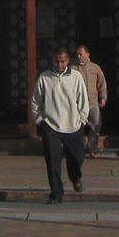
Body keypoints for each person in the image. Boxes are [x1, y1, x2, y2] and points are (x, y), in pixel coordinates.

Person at [30, 47, 90, 203]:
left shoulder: (76, 77)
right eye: (57, 61)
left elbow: (83, 100)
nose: (59, 64)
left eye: (62, 61)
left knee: (77, 157)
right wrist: (40, 121)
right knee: (52, 160)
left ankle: (75, 177)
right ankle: (56, 193)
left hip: (73, 124)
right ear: (52, 61)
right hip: (51, 125)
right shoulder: (44, 78)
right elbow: (36, 101)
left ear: (68, 61)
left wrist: (82, 119)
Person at [73, 44, 107, 158]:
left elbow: (101, 83)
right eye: (77, 54)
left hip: (93, 102)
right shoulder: (73, 68)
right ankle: (80, 148)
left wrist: (103, 97)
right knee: (78, 127)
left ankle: (92, 148)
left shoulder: (95, 68)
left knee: (96, 125)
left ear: (87, 54)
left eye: (80, 54)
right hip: (78, 103)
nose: (78, 56)